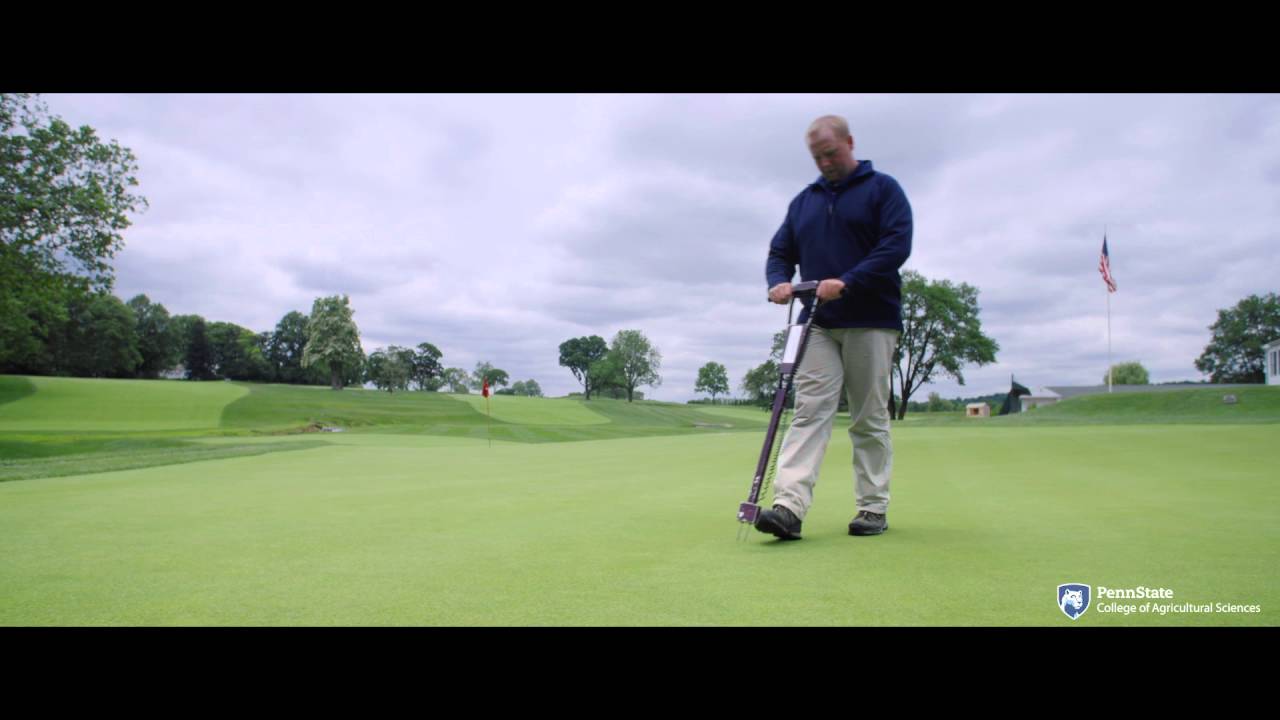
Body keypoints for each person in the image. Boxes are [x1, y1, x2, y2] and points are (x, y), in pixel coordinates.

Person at [755, 114, 913, 540]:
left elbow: (896, 245)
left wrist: (848, 281)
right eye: (817, 157)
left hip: (872, 320)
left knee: (868, 416)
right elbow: (779, 253)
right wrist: (778, 283)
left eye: (831, 153)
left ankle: (872, 507)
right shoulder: (803, 202)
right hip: (817, 322)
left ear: (850, 143)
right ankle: (788, 508)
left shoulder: (883, 189)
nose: (825, 162)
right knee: (809, 411)